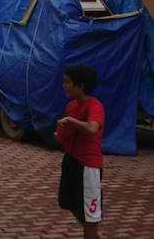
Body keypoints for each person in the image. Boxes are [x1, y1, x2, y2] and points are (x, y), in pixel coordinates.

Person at [56, 66, 105, 239]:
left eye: (67, 82)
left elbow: (92, 128)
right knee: (69, 202)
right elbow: (65, 136)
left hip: (88, 167)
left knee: (90, 215)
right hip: (71, 161)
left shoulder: (95, 105)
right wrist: (60, 133)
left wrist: (71, 121)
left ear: (81, 86)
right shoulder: (71, 106)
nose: (64, 86)